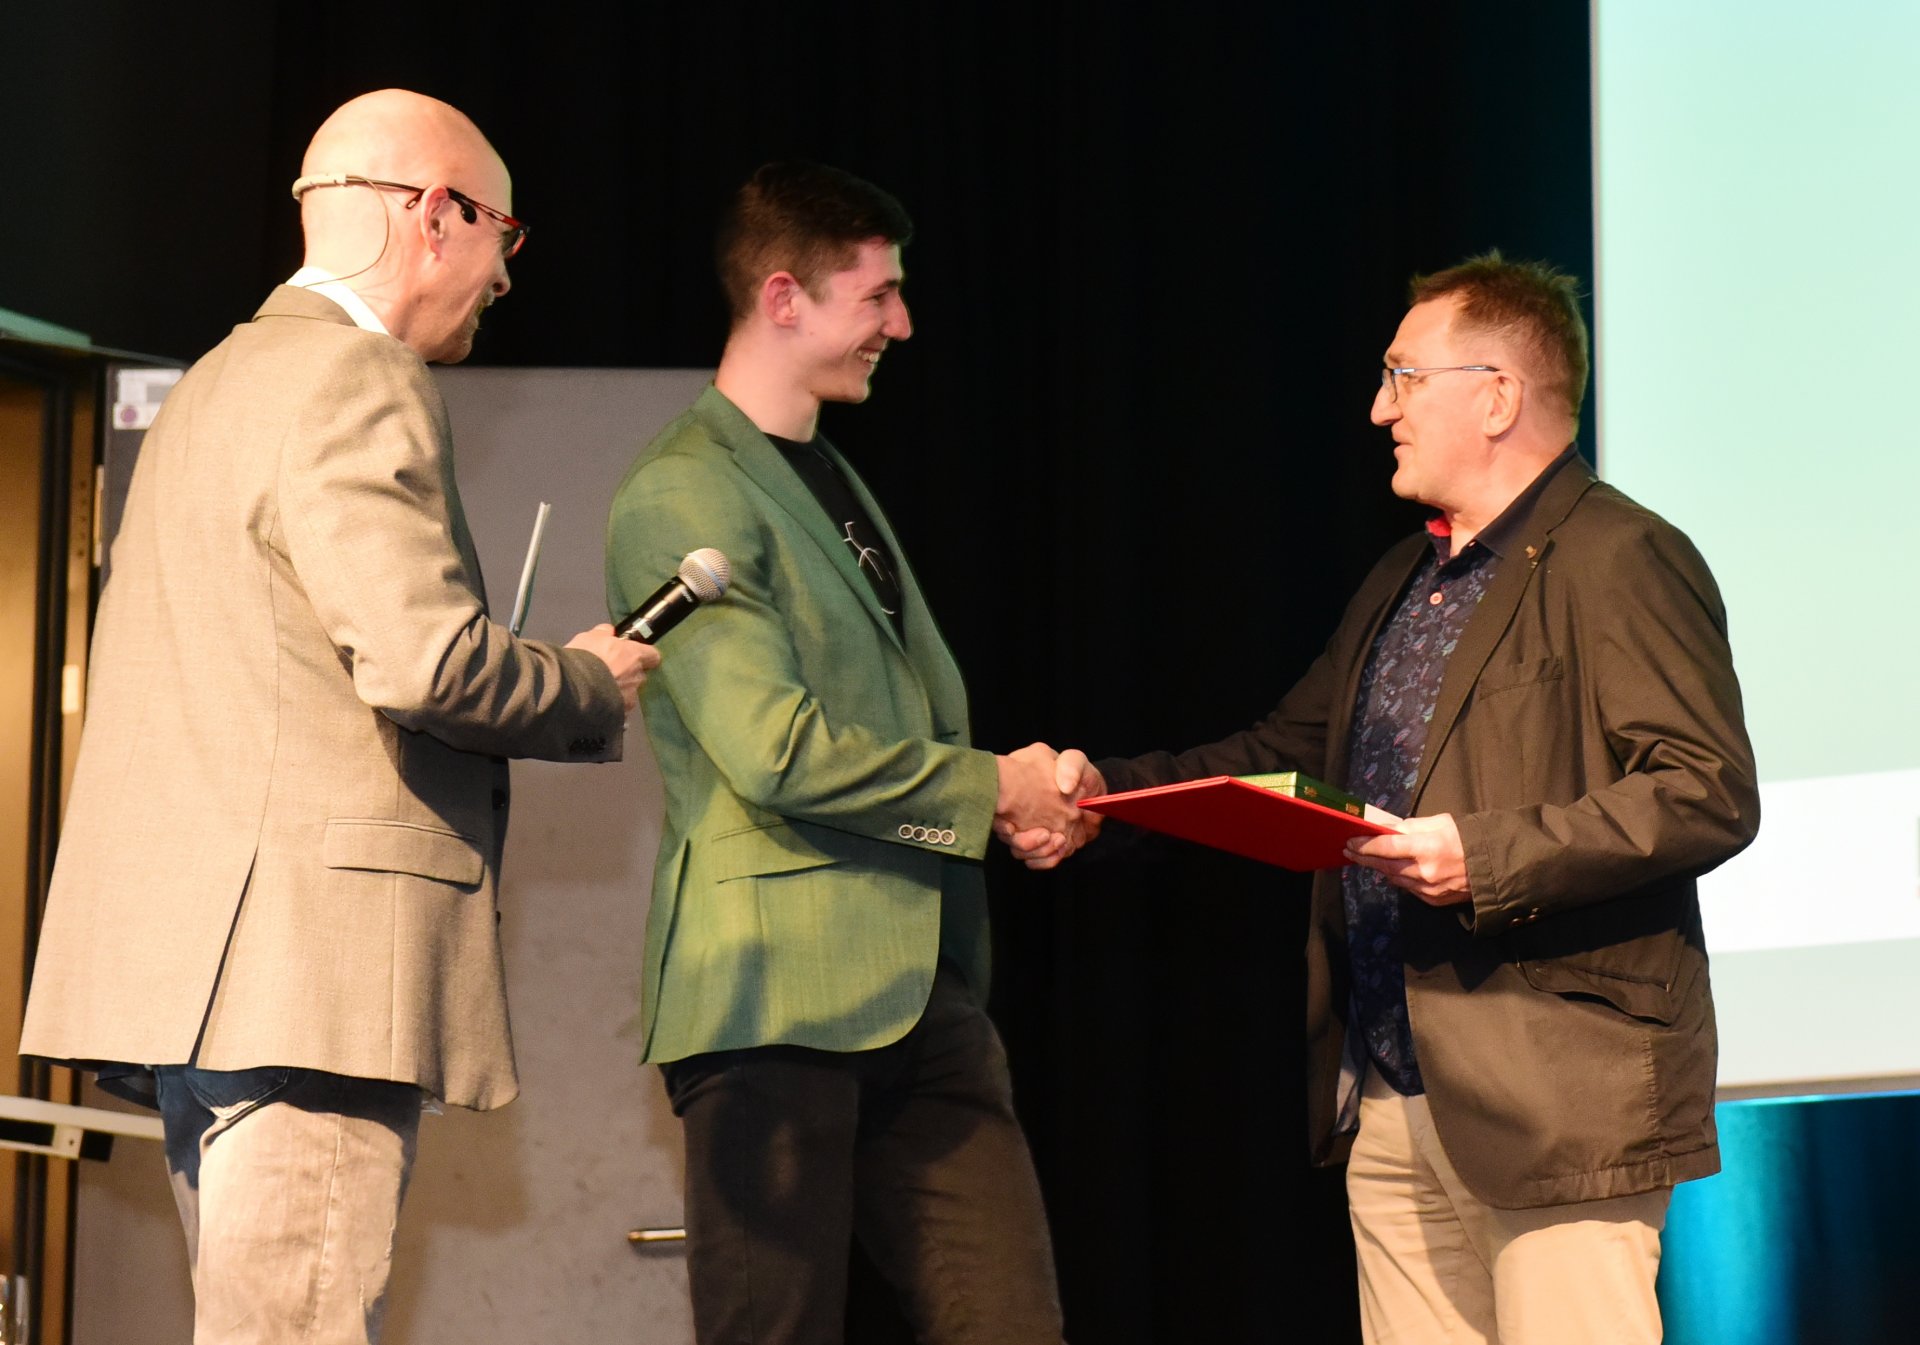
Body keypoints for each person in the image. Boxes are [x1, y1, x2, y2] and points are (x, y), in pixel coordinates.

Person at [1016, 254, 1759, 1344]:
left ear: (1498, 395)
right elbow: (1286, 754)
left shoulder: (1623, 555)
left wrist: (1485, 856)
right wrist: (1102, 798)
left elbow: (1706, 789)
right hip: (1393, 1097)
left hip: (1552, 1097)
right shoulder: (1402, 579)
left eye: (1403, 378)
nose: (1379, 410)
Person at [19, 89, 657, 1344]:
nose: (502, 280)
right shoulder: (358, 376)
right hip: (312, 986)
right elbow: (426, 664)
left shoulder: (211, 385)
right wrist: (586, 682)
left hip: (204, 987)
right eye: (503, 240)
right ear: (437, 216)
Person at [606, 161, 1077, 1344]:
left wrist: (1016, 797)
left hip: (925, 992)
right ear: (783, 297)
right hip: (773, 995)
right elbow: (775, 750)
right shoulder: (684, 490)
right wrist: (990, 791)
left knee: (1013, 1321)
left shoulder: (830, 473)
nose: (901, 324)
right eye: (878, 296)